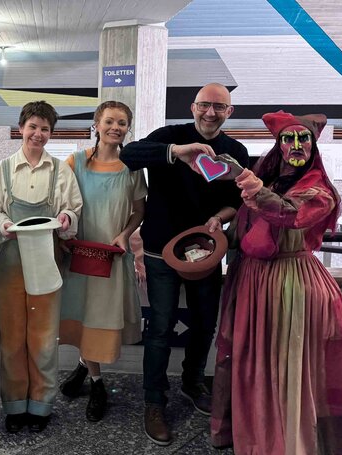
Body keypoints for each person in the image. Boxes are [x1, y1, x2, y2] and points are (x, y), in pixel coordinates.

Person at [211, 111, 342, 454]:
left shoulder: (318, 189)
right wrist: (219, 231)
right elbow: (249, 224)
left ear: (313, 144)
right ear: (278, 145)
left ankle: (284, 440)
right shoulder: (269, 179)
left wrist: (245, 178)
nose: (296, 145)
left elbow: (290, 214)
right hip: (251, 281)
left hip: (289, 284)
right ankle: (255, 430)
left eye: (303, 138)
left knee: (286, 366)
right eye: (288, 138)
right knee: (255, 362)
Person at [119, 83, 249, 446]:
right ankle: (154, 401)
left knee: (205, 323)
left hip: (205, 251)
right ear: (193, 107)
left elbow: (238, 199)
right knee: (159, 328)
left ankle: (193, 383)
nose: (210, 113)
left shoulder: (235, 151)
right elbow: (129, 154)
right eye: (204, 105)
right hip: (160, 251)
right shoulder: (169, 137)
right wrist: (178, 152)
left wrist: (219, 217)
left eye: (219, 107)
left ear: (229, 112)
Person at [0, 100, 82, 433]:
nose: (38, 134)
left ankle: (42, 404)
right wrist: (2, 224)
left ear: (50, 133)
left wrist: (66, 218)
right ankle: (14, 405)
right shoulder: (1, 169)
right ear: (21, 128)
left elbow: (73, 209)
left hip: (46, 261)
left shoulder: (61, 171)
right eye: (33, 126)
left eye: (45, 128)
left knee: (43, 338)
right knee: (10, 336)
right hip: (8, 264)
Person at [58, 101, 146, 422]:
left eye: (121, 123)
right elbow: (61, 202)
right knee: (84, 317)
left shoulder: (132, 167)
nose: (115, 127)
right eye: (109, 121)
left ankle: (84, 368)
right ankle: (98, 384)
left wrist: (125, 233)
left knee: (100, 318)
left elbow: (139, 210)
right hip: (81, 254)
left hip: (112, 256)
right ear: (96, 124)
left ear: (127, 129)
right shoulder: (75, 162)